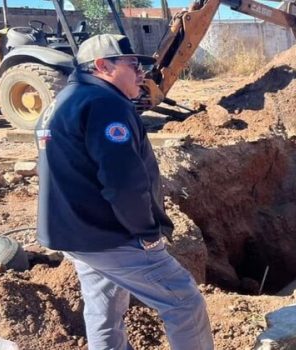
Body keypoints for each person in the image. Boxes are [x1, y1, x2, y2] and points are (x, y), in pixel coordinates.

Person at [34, 34, 214, 349]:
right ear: (103, 66)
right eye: (132, 64)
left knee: (103, 308)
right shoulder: (106, 103)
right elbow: (123, 180)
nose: (141, 72)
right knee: (184, 303)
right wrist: (145, 232)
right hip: (111, 234)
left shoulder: (63, 101)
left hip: (75, 231)